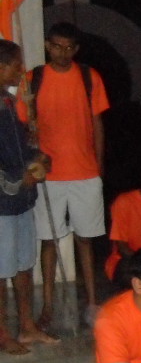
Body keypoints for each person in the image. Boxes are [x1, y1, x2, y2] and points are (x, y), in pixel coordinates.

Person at [20, 22, 109, 327]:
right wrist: (32, 142)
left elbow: (97, 124)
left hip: (85, 172)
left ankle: (93, 302)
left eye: (69, 47)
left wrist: (99, 165)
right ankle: (47, 306)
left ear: (76, 49)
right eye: (57, 46)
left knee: (85, 240)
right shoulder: (33, 79)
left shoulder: (89, 77)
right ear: (48, 46)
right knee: (49, 241)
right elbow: (23, 126)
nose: (63, 52)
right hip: (49, 176)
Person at [0, 39, 56, 353]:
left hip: (21, 200)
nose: (20, 70)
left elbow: (20, 148)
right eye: (15, 65)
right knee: (1, 270)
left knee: (24, 265)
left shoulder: (8, 103)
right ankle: (2, 334)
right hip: (2, 203)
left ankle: (26, 327)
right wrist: (17, 179)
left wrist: (38, 157)